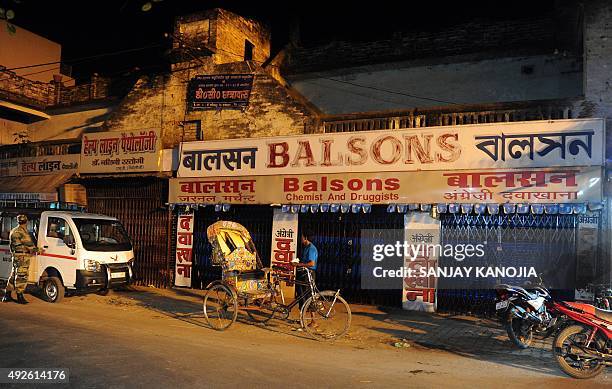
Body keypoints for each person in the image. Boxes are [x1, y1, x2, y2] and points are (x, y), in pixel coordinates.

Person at [4, 215, 37, 304]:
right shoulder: (22, 233)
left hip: (16, 256)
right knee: (22, 276)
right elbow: (30, 246)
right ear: (26, 222)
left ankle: (7, 295)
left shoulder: (13, 231)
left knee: (14, 275)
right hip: (23, 257)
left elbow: (11, 246)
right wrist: (39, 250)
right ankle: (20, 296)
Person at [292, 231, 318, 327]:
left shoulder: (311, 249)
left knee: (308, 296)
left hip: (308, 275)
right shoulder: (306, 248)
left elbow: (312, 263)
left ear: (306, 238)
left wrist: (298, 264)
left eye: (302, 237)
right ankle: (304, 319)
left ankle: (314, 321)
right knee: (302, 296)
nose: (300, 239)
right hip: (303, 274)